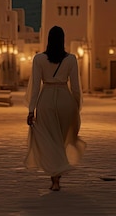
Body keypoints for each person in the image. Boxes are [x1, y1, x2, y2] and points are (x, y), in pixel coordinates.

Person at [24, 26, 86, 191]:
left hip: (46, 101)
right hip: (66, 101)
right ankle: (58, 174)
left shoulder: (39, 59)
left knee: (51, 140)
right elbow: (76, 88)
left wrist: (31, 109)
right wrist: (76, 107)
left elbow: (36, 87)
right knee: (61, 140)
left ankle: (55, 180)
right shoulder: (71, 59)